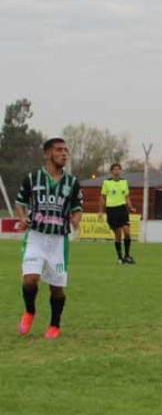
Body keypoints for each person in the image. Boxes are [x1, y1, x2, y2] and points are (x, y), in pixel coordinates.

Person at [14, 138, 83, 340]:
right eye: (59, 150)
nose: (64, 154)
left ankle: (55, 324)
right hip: (35, 236)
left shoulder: (72, 182)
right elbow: (20, 202)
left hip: (58, 242)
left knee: (57, 289)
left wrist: (76, 220)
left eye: (66, 150)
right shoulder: (32, 178)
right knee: (30, 279)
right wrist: (22, 217)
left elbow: (78, 208)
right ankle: (30, 311)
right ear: (47, 154)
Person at [99, 162, 137, 264]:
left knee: (127, 232)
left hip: (122, 209)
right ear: (111, 171)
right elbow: (103, 197)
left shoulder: (124, 182)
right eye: (115, 169)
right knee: (118, 235)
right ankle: (120, 258)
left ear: (121, 171)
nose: (117, 171)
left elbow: (127, 197)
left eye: (118, 169)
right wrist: (101, 211)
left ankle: (127, 256)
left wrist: (130, 207)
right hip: (111, 210)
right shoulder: (106, 183)